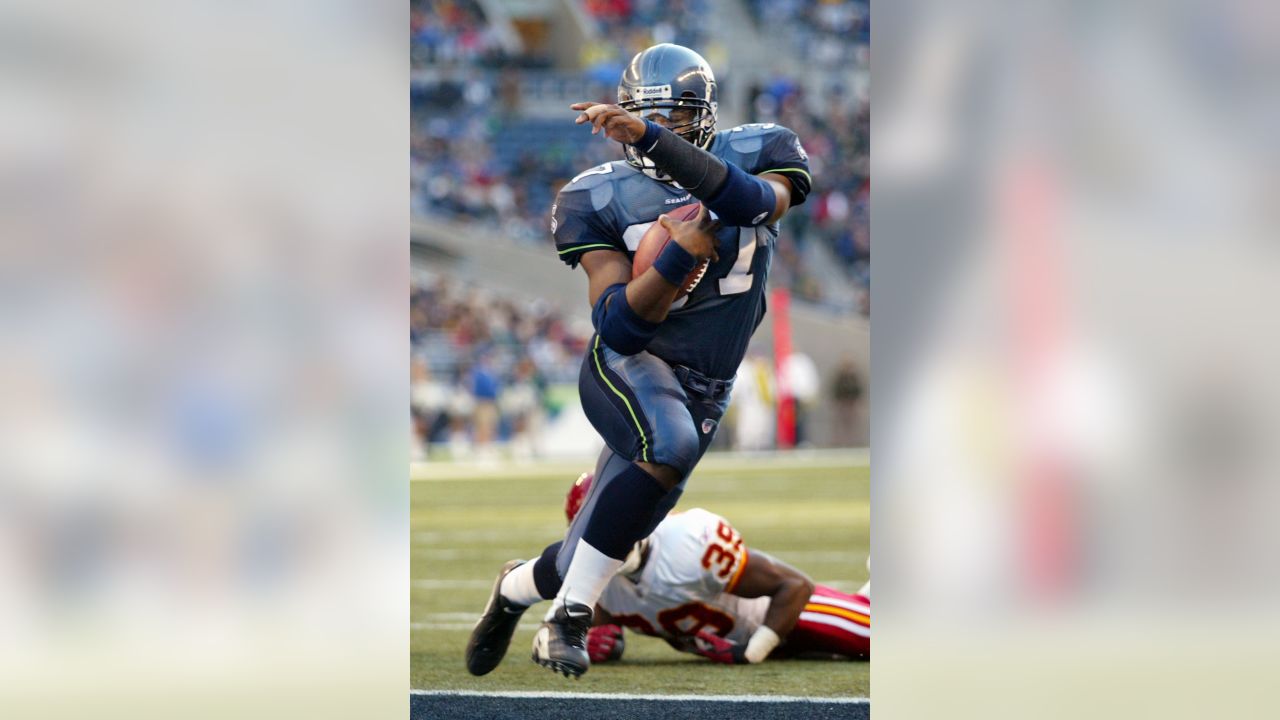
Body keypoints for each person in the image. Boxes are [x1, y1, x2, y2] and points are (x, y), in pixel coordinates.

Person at [465, 43, 812, 679]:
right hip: (629, 366)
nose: (663, 133)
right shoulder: (596, 196)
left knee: (609, 540)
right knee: (669, 443)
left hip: (709, 381)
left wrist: (655, 139)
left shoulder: (764, 147)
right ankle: (568, 620)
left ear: (703, 114)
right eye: (651, 119)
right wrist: (678, 259)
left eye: (677, 118)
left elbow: (757, 205)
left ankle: (515, 588)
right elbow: (618, 325)